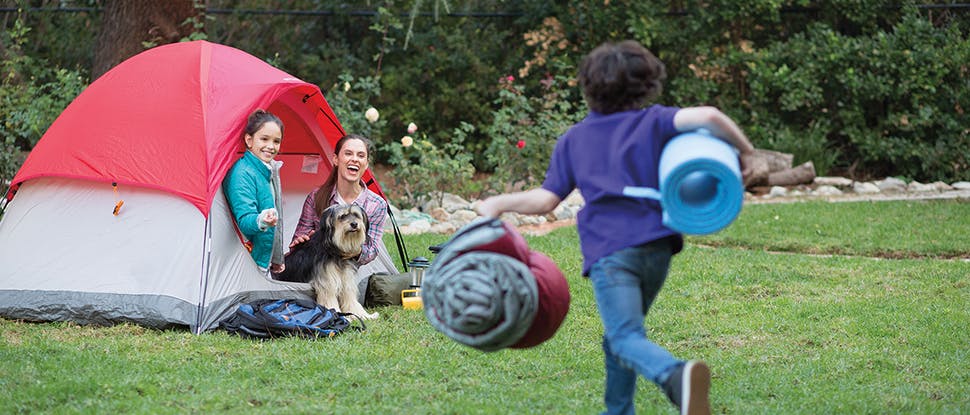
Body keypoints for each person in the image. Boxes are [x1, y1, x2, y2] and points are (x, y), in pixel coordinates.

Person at [476, 40, 756, 415]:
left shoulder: (573, 139)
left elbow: (545, 201)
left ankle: (676, 377)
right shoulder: (654, 120)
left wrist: (497, 203)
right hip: (657, 249)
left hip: (612, 252)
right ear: (646, 84)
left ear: (589, 87)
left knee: (624, 337)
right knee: (619, 337)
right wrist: (748, 153)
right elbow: (710, 117)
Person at [289, 134, 387, 266]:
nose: (354, 159)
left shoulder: (377, 204)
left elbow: (371, 251)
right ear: (335, 159)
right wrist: (301, 242)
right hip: (317, 270)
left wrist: (352, 249)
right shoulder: (316, 197)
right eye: (348, 154)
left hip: (351, 272)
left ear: (366, 164)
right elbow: (298, 239)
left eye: (361, 155)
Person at [223, 109, 286, 274]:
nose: (271, 146)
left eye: (276, 141)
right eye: (264, 139)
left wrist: (276, 257)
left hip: (263, 259)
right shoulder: (242, 173)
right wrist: (262, 220)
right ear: (249, 140)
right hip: (248, 261)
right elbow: (244, 219)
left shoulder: (270, 169)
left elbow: (276, 218)